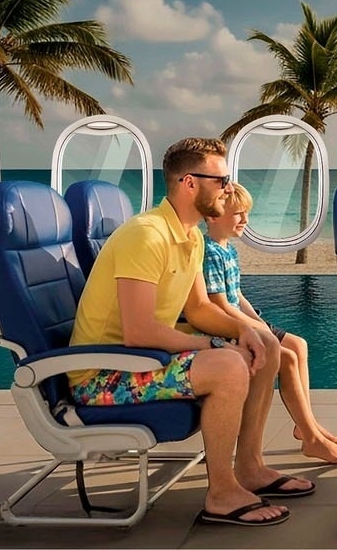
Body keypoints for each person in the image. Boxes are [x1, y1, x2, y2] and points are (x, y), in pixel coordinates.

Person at [68, 137, 315, 527]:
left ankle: (250, 467)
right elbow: (138, 331)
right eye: (221, 181)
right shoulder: (146, 235)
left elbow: (199, 307)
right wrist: (218, 345)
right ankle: (221, 493)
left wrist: (243, 331)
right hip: (103, 375)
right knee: (229, 366)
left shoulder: (191, 234)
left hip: (141, 363)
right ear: (189, 183)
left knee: (264, 344)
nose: (228, 189)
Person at [202, 183, 337, 464]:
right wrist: (254, 328)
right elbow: (220, 305)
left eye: (246, 213)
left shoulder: (228, 250)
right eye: (238, 214)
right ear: (213, 216)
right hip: (227, 325)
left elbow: (237, 296)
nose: (245, 221)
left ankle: (304, 421)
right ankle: (311, 437)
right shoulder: (209, 252)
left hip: (244, 320)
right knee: (288, 359)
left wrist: (260, 322)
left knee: (299, 343)